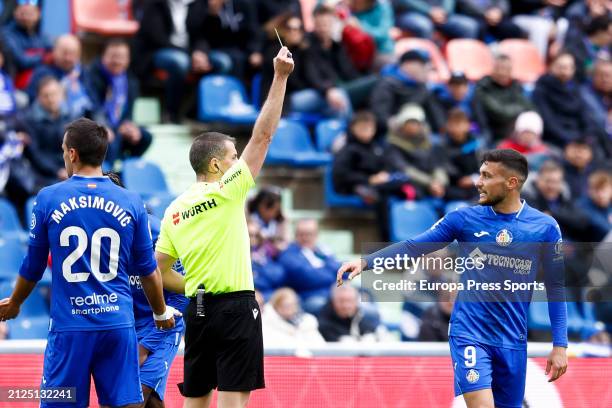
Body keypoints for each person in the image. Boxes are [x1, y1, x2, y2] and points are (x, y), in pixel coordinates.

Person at [337, 149, 568, 408]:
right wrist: (367, 261)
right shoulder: (464, 218)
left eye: (487, 176)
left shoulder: (544, 227)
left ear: (511, 183)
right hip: (470, 332)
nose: (478, 182)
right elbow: (415, 246)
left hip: (513, 339)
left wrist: (560, 345)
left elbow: (556, 288)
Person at [0, 118, 177, 407]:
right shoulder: (131, 200)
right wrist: (160, 313)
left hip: (70, 329)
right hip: (117, 325)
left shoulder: (48, 198)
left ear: (72, 154)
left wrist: (16, 302)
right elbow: (148, 270)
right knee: (125, 405)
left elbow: (32, 266)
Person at [154, 47, 294, 408]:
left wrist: (195, 284)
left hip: (197, 309)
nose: (237, 163)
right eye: (233, 158)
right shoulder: (226, 191)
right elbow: (263, 137)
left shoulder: (174, 210)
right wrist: (279, 77)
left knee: (196, 402)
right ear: (216, 165)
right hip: (234, 307)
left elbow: (156, 271)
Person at [106, 172, 188, 408]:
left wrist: (147, 345)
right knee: (151, 403)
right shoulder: (100, 237)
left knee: (133, 401)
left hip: (161, 328)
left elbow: (181, 295)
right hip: (124, 328)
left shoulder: (155, 233)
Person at [85, 39, 153, 166]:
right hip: (95, 126)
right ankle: (108, 174)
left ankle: (126, 170)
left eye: (121, 57)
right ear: (103, 57)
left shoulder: (131, 81)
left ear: (128, 60)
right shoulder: (91, 76)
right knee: (108, 138)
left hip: (117, 126)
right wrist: (103, 127)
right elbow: (93, 108)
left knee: (144, 137)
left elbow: (128, 112)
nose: (117, 61)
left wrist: (129, 126)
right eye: (113, 57)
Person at [370, 50, 445, 135]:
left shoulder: (422, 87)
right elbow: (380, 114)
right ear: (408, 64)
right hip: (390, 135)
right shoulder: (387, 84)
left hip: (417, 134)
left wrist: (443, 129)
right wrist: (395, 125)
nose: (425, 70)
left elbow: (435, 114)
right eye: (421, 65)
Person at [277, 219, 341, 315]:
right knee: (327, 305)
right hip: (307, 298)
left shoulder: (322, 251)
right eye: (301, 234)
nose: (305, 238)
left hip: (332, 294)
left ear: (316, 235)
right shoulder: (289, 253)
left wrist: (326, 271)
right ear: (295, 235)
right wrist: (332, 274)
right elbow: (309, 278)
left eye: (310, 234)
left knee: (362, 296)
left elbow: (343, 271)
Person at [472, 54, 533, 143]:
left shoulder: (516, 86)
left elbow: (531, 108)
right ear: (493, 69)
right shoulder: (483, 87)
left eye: (507, 69)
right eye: (499, 68)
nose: (502, 72)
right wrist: (520, 109)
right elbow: (500, 114)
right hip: (491, 136)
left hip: (517, 135)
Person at [27, 34, 92, 117]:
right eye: (65, 53)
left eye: (73, 54)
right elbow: (33, 103)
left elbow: (94, 102)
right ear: (54, 51)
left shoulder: (83, 73)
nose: (68, 58)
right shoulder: (42, 73)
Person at [1, 0, 52, 86]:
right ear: (15, 13)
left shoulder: (41, 36)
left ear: (38, 14)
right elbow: (22, 60)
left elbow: (53, 51)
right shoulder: (7, 34)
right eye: (22, 13)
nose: (26, 17)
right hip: (18, 85)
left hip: (42, 83)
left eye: (30, 14)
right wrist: (44, 58)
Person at [442, 108, 481, 201]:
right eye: (452, 124)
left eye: (459, 123)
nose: (456, 128)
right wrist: (461, 179)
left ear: (467, 125)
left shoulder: (476, 144)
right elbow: (448, 170)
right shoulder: (442, 147)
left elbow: (484, 166)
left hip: (477, 185)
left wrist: (473, 178)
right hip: (454, 190)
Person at [247, 186, 289, 255]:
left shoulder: (281, 221)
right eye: (268, 207)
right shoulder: (249, 218)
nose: (271, 213)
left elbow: (285, 243)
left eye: (275, 209)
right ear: (258, 205)